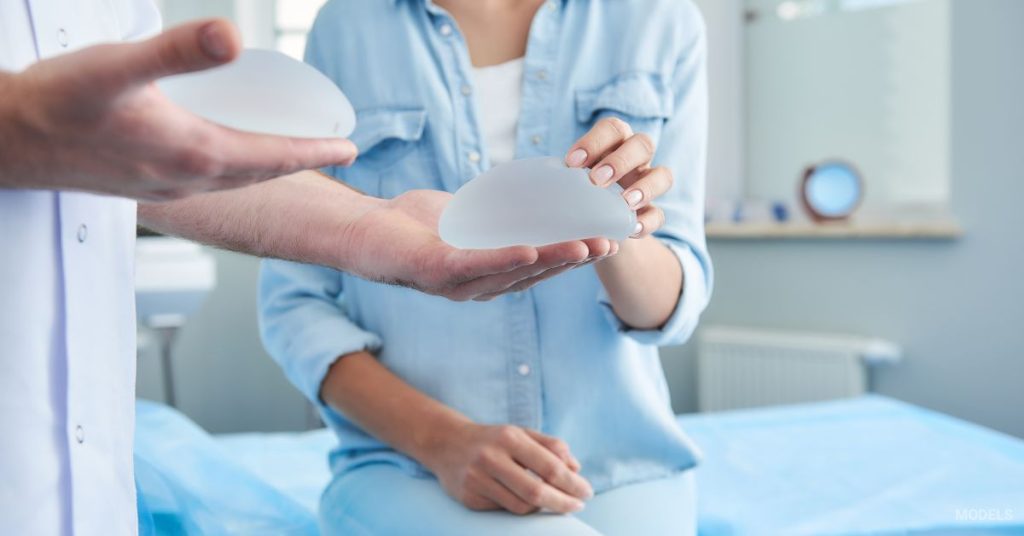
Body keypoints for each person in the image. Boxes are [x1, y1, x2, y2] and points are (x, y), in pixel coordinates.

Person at [0, 3, 608, 534]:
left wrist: (364, 223)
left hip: (82, 495)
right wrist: (19, 125)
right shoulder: (349, 25)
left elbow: (140, 150)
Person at [258, 0, 712, 534]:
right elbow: (295, 307)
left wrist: (614, 218)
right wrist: (442, 441)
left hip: (624, 467)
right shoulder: (349, 26)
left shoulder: (658, 19)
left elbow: (671, 307)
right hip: (412, 467)